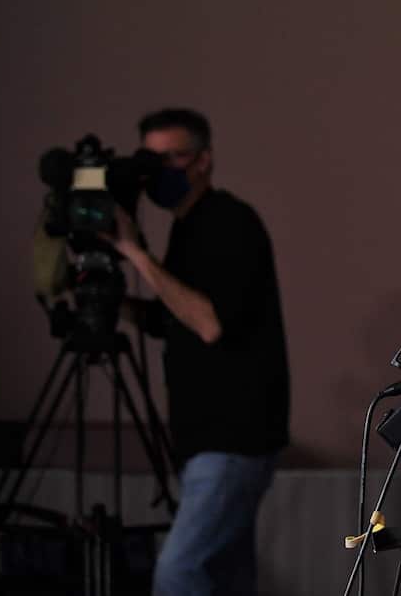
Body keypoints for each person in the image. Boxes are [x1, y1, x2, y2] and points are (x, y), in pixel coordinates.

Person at [108, 108, 290, 596]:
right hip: (207, 441)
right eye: (151, 160)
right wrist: (108, 301)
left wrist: (135, 253)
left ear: (204, 160)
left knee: (178, 572)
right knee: (227, 580)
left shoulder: (229, 222)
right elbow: (175, 319)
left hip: (231, 440)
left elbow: (209, 324)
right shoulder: (187, 229)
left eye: (172, 158)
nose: (159, 171)